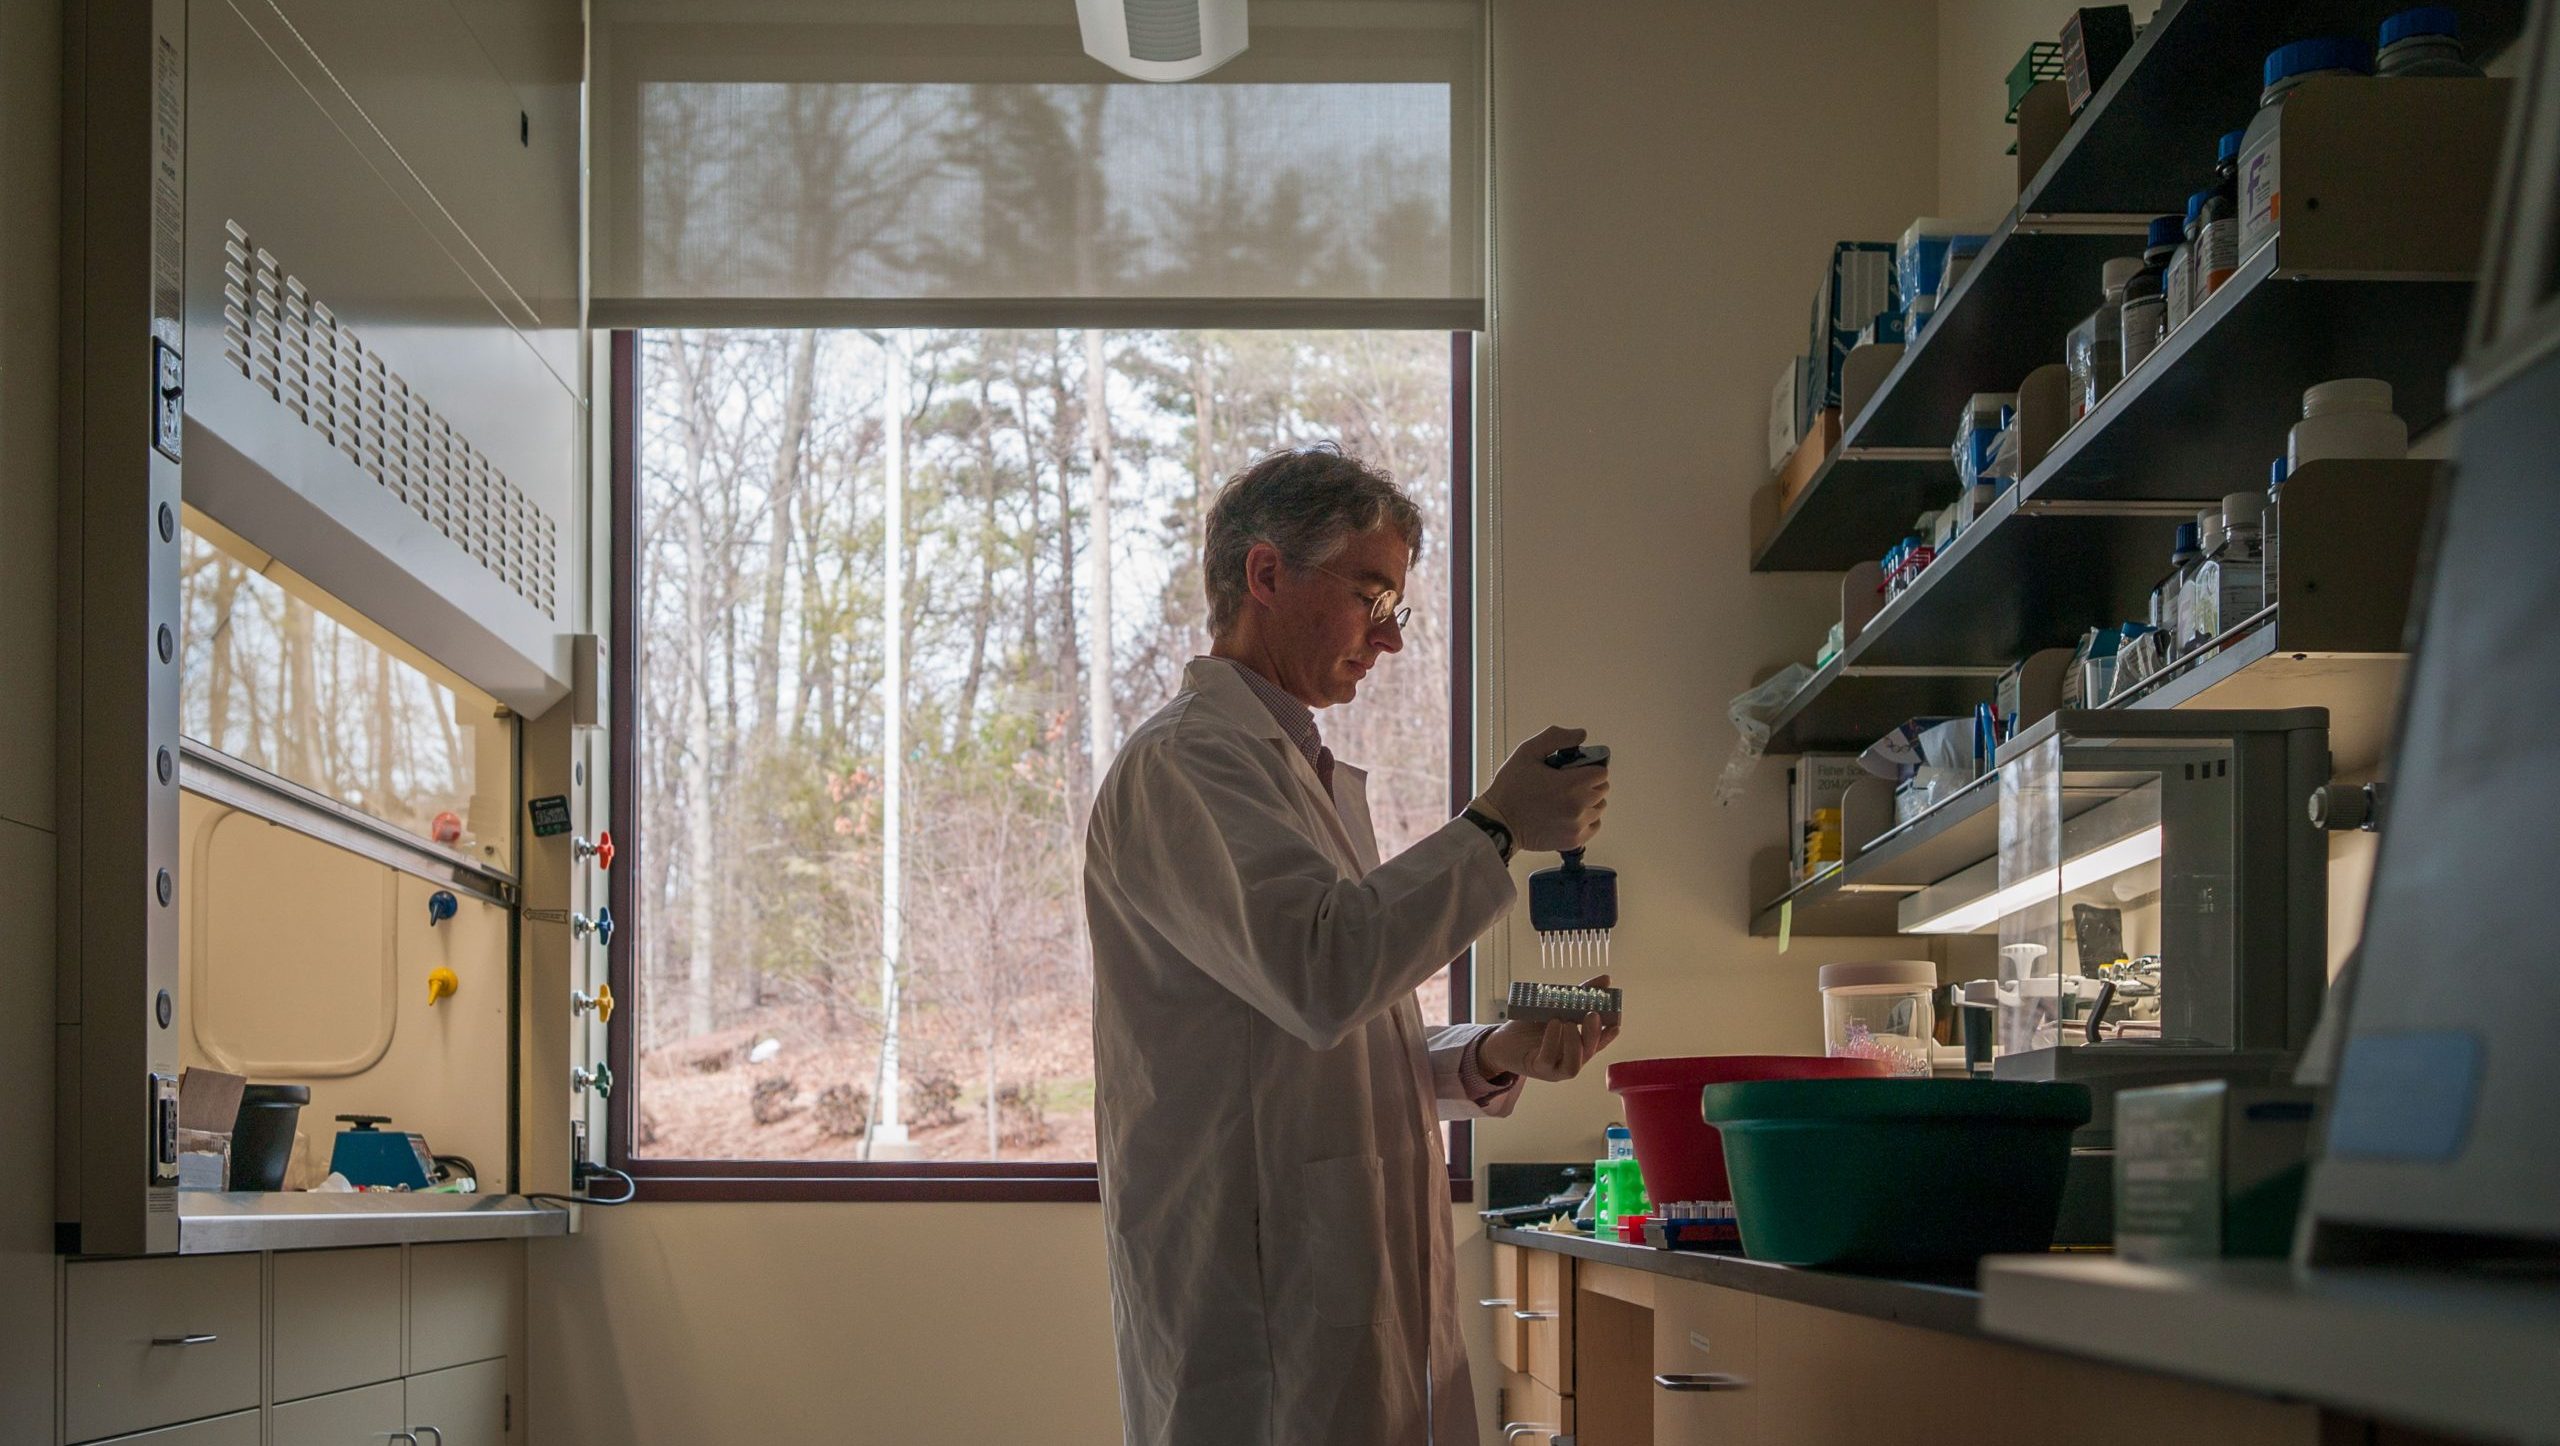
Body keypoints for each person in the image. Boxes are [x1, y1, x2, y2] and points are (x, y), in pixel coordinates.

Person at [1084, 444, 1621, 1446]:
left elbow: (1332, 1042)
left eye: (1398, 609)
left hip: (1341, 1292)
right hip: (1256, 1319)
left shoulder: (1296, 777)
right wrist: (1497, 825)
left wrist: (1489, 1055)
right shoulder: (1187, 762)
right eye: (1372, 598)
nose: (1392, 642)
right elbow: (1324, 974)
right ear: (1265, 574)